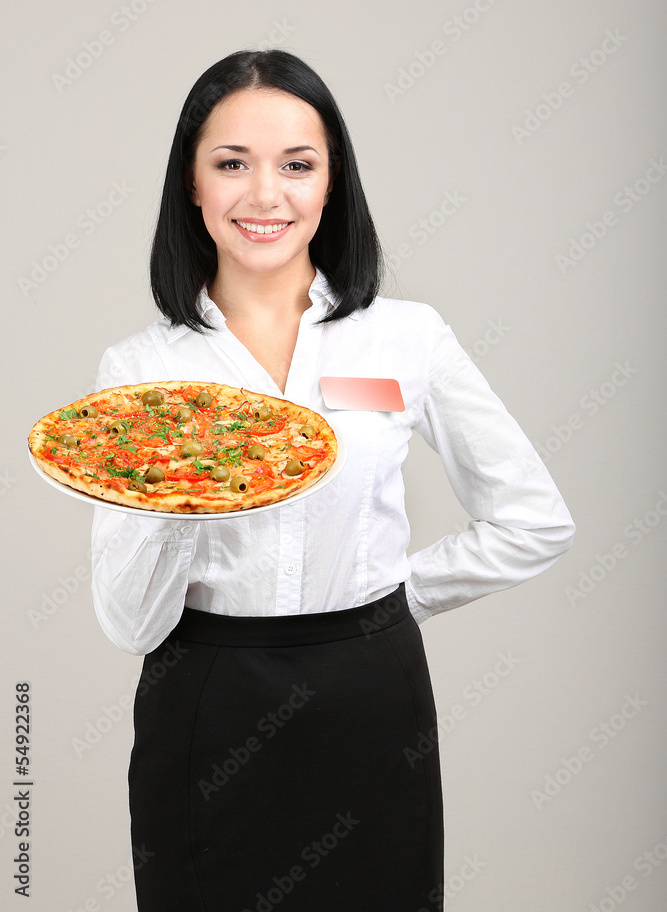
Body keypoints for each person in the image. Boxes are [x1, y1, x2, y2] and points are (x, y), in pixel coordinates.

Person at [90, 49, 575, 911]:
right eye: (231, 164)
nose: (264, 195)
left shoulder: (405, 340)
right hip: (205, 703)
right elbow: (131, 623)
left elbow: (533, 519)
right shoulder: (141, 371)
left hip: (370, 699)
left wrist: (391, 597)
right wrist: (180, 483)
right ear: (191, 183)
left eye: (296, 165)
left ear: (331, 181)